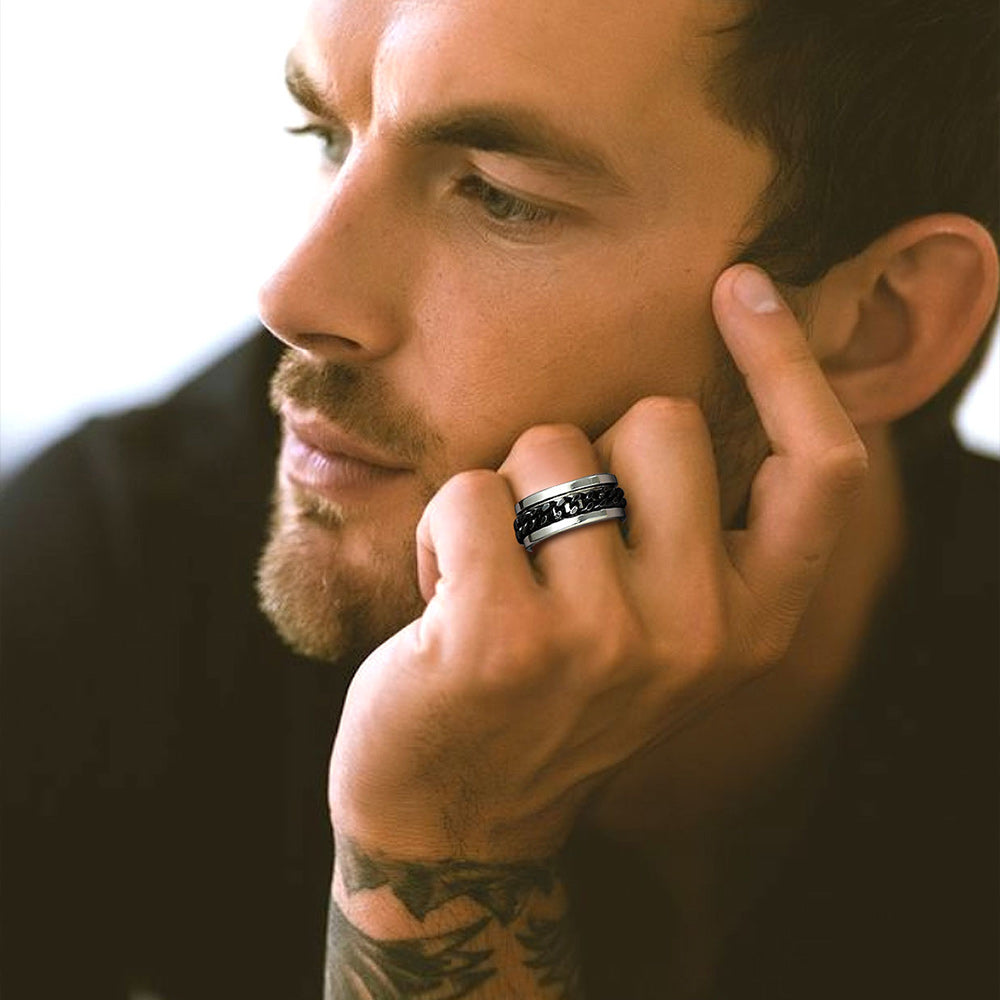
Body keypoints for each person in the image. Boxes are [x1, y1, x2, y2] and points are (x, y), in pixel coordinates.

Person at [2, 0, 997, 997]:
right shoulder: (94, 582)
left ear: (881, 320)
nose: (292, 299)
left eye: (499, 195)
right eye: (327, 138)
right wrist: (444, 833)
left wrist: (449, 838)